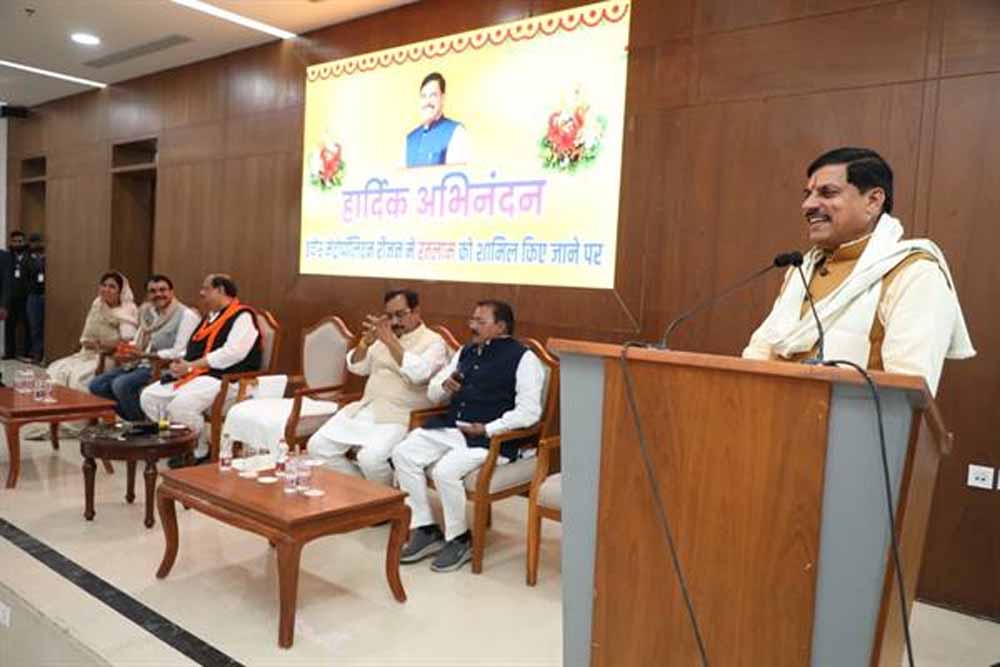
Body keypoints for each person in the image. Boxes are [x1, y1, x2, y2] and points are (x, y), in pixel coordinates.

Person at [742, 147, 975, 394]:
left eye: (827, 193)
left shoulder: (914, 272)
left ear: (873, 201)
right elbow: (758, 355)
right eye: (808, 194)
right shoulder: (802, 269)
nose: (808, 205)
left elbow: (907, 390)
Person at [392, 300, 544, 572]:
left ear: (501, 327)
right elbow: (434, 393)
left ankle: (460, 538)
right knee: (403, 453)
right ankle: (425, 528)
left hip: (491, 438)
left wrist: (488, 428)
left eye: (480, 322)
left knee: (445, 471)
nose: (472, 326)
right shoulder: (466, 351)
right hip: (453, 428)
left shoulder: (524, 358)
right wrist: (445, 387)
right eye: (472, 320)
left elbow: (530, 412)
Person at [303, 289, 449, 486]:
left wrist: (389, 340)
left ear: (416, 312)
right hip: (367, 408)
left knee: (370, 459)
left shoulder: (434, 342)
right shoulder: (383, 338)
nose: (394, 321)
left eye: (400, 314)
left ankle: (385, 498)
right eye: (389, 316)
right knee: (317, 446)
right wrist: (365, 343)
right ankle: (362, 490)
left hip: (400, 415)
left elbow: (419, 375)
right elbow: (358, 367)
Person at [140, 274, 261, 462]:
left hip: (227, 379)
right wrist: (180, 363)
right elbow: (193, 350)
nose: (201, 293)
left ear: (220, 290)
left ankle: (198, 450)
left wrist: (191, 366)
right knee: (149, 397)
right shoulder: (210, 318)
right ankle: (178, 441)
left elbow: (232, 353)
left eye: (206, 289)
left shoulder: (243, 316)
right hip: (199, 376)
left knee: (180, 405)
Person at [22, 271, 139, 439]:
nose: (106, 289)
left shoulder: (128, 310)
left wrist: (103, 346)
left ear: (120, 291)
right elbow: (86, 337)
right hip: (89, 352)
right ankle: (54, 420)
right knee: (56, 370)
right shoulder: (97, 304)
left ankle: (77, 425)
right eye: (104, 285)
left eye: (112, 287)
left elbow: (127, 342)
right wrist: (92, 344)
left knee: (80, 378)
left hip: (112, 357)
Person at [89, 274, 199, 422]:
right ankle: (134, 420)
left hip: (164, 367)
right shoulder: (148, 312)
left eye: (162, 290)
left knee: (121, 384)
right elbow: (138, 340)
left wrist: (146, 356)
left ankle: (140, 425)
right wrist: (127, 352)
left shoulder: (186, 315)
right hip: (139, 363)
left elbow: (181, 352)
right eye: (153, 291)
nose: (158, 294)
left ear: (172, 292)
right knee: (97, 385)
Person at [404, 72, 471, 168]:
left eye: (433, 95)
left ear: (442, 98)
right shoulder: (410, 139)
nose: (428, 102)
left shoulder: (456, 131)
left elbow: (456, 174)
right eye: (423, 96)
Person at [4, 231, 31, 360]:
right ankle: (10, 352)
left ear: (24, 242)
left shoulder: (29, 256)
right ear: (11, 242)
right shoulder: (7, 257)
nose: (18, 244)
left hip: (26, 296)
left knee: (26, 324)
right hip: (10, 297)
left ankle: (26, 352)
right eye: (15, 241)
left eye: (20, 241)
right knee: (9, 325)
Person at [25, 233, 46, 363]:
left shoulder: (48, 257)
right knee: (35, 326)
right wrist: (40, 261)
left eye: (38, 241)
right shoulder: (27, 259)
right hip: (34, 296)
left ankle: (44, 353)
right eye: (33, 242)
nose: (36, 244)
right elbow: (31, 272)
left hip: (47, 295)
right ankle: (37, 353)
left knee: (46, 326)